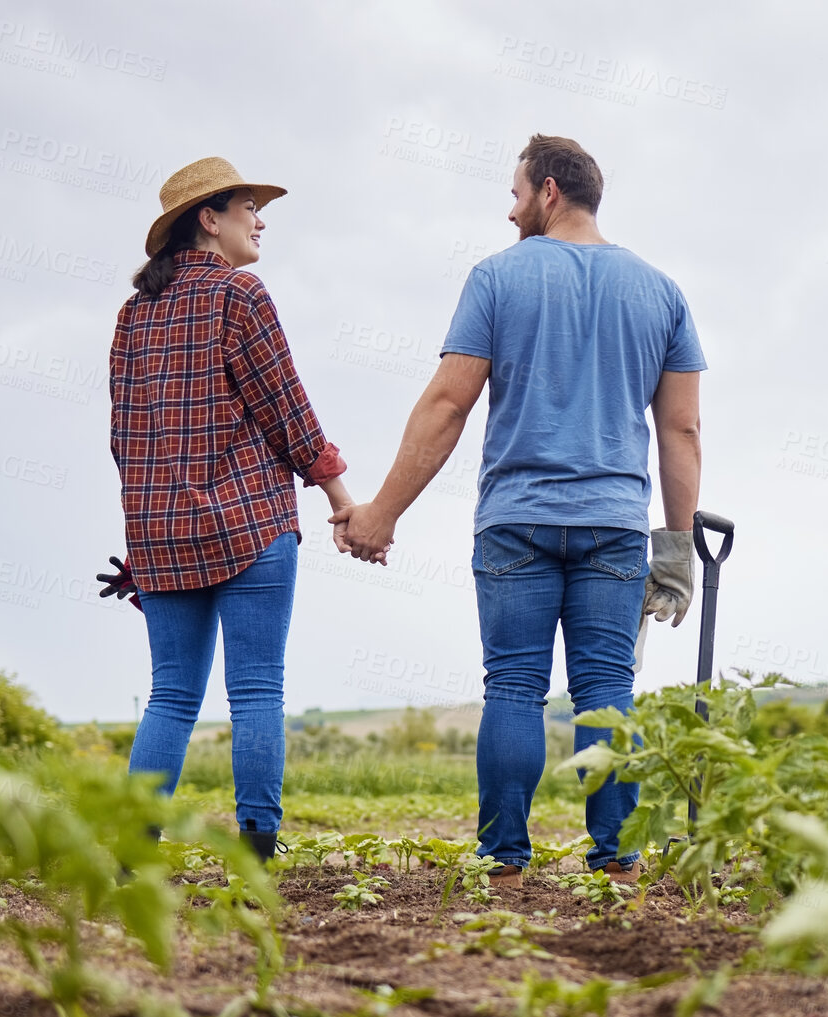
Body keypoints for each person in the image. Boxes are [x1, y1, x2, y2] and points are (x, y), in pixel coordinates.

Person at [332, 134, 707, 885]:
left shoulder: (496, 279)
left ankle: (504, 861)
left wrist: (381, 512)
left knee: (512, 686)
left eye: (514, 194)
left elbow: (448, 402)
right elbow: (681, 428)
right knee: (607, 690)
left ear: (548, 192)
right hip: (612, 524)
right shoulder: (662, 292)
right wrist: (676, 544)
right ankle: (619, 861)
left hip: (516, 521)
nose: (509, 212)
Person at [102, 156, 368, 861]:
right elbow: (288, 412)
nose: (261, 219)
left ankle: (132, 852)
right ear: (208, 219)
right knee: (255, 690)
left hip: (161, 535)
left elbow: (123, 440)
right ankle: (256, 852)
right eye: (249, 206)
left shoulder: (131, 318)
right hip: (251, 523)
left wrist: (146, 542)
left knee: (170, 696)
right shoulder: (240, 296)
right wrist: (341, 496)